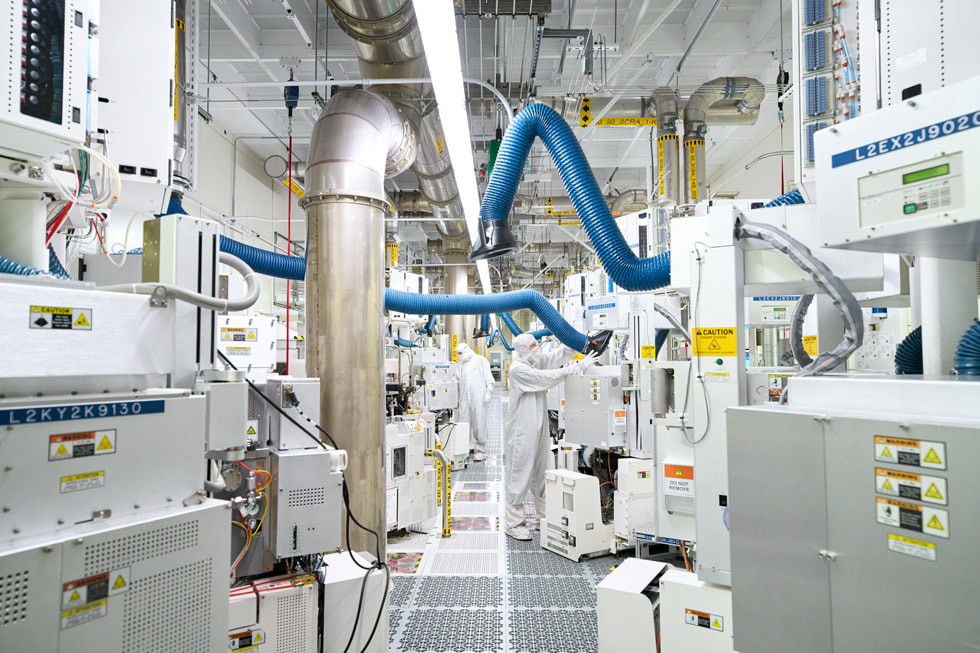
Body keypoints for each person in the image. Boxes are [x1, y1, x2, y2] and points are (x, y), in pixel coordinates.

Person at [505, 333, 598, 540]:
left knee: (542, 467)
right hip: (522, 428)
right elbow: (546, 379)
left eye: (536, 345)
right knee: (519, 471)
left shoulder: (534, 360)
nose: (537, 349)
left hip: (539, 424)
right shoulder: (518, 369)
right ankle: (513, 523)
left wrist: (582, 342)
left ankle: (543, 517)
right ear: (522, 351)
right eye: (532, 346)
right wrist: (577, 368)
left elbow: (557, 356)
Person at [455, 343, 494, 462]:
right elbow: (456, 381)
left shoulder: (480, 360)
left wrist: (488, 392)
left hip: (479, 397)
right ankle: (463, 450)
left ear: (466, 350)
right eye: (458, 354)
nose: (459, 356)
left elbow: (489, 378)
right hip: (464, 399)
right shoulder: (460, 365)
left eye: (461, 353)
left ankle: (480, 450)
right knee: (463, 423)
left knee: (479, 422)